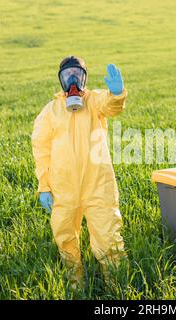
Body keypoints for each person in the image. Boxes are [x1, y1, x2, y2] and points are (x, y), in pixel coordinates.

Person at [31, 56, 128, 288]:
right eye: (67, 76)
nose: (72, 80)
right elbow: (41, 149)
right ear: (61, 80)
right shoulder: (50, 111)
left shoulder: (94, 101)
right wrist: (44, 186)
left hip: (98, 184)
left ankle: (118, 285)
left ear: (84, 78)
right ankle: (76, 282)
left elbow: (111, 106)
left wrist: (116, 94)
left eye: (77, 75)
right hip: (63, 188)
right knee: (65, 235)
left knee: (108, 236)